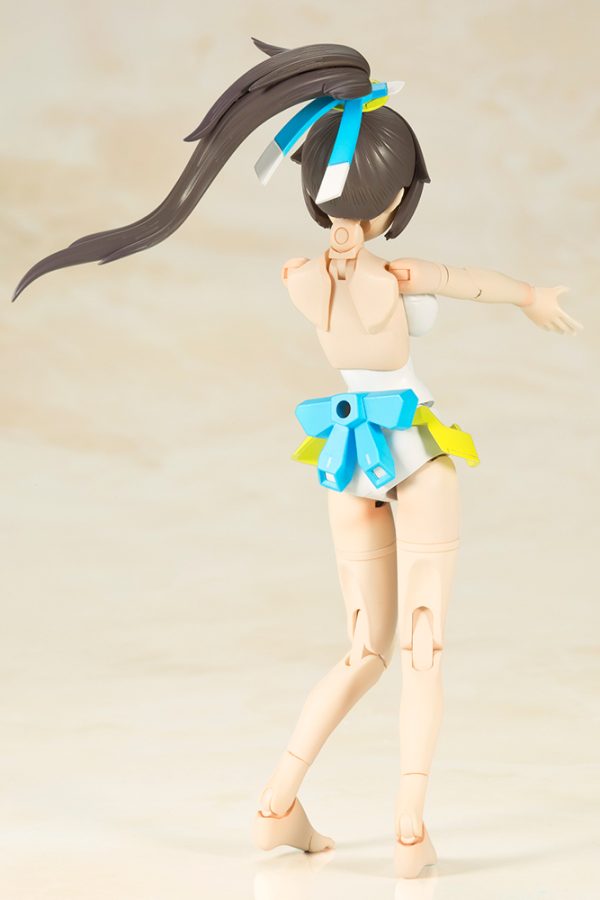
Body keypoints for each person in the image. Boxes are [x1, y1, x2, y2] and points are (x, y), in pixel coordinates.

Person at [12, 38, 581, 879]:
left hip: (347, 455)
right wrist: (533, 296)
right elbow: (474, 282)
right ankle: (410, 830)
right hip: (412, 449)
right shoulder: (398, 275)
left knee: (362, 649)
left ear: (315, 185)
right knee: (422, 647)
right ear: (399, 194)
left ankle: (276, 805)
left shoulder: (296, 276)